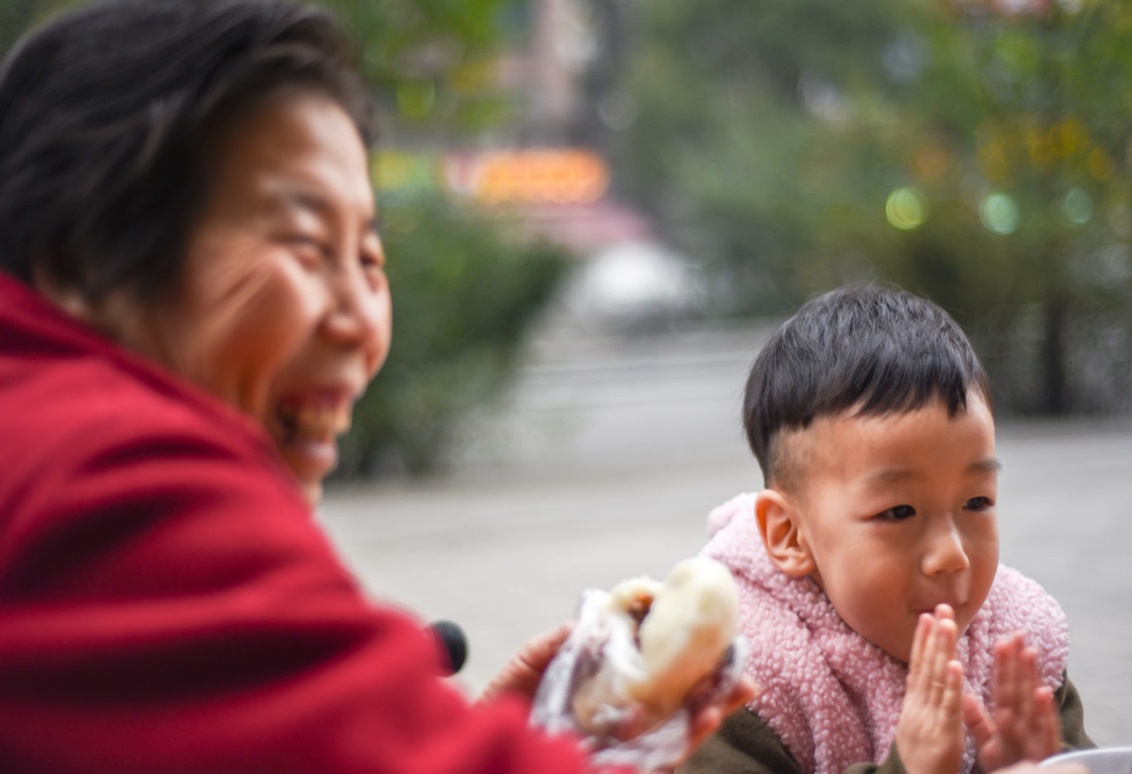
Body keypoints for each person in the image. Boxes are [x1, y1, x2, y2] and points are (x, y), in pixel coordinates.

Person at [0, 1, 751, 771]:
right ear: (80, 259)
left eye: (367, 258)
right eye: (304, 244)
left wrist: (439, 732)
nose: (361, 322)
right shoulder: (107, 477)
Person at [679, 285, 1095, 774]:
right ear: (789, 534)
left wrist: (1047, 766)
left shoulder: (1015, 650)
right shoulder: (742, 678)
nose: (953, 554)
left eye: (976, 502)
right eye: (899, 512)